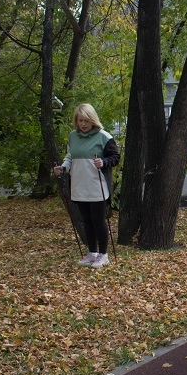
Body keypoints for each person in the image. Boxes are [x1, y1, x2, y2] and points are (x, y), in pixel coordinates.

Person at [54, 103, 120, 268]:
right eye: (80, 120)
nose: (83, 124)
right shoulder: (73, 136)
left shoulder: (104, 136)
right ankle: (92, 253)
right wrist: (62, 168)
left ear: (93, 120)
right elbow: (70, 156)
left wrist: (103, 161)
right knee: (86, 221)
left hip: (97, 185)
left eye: (86, 121)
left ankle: (103, 255)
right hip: (79, 185)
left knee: (98, 220)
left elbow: (115, 157)